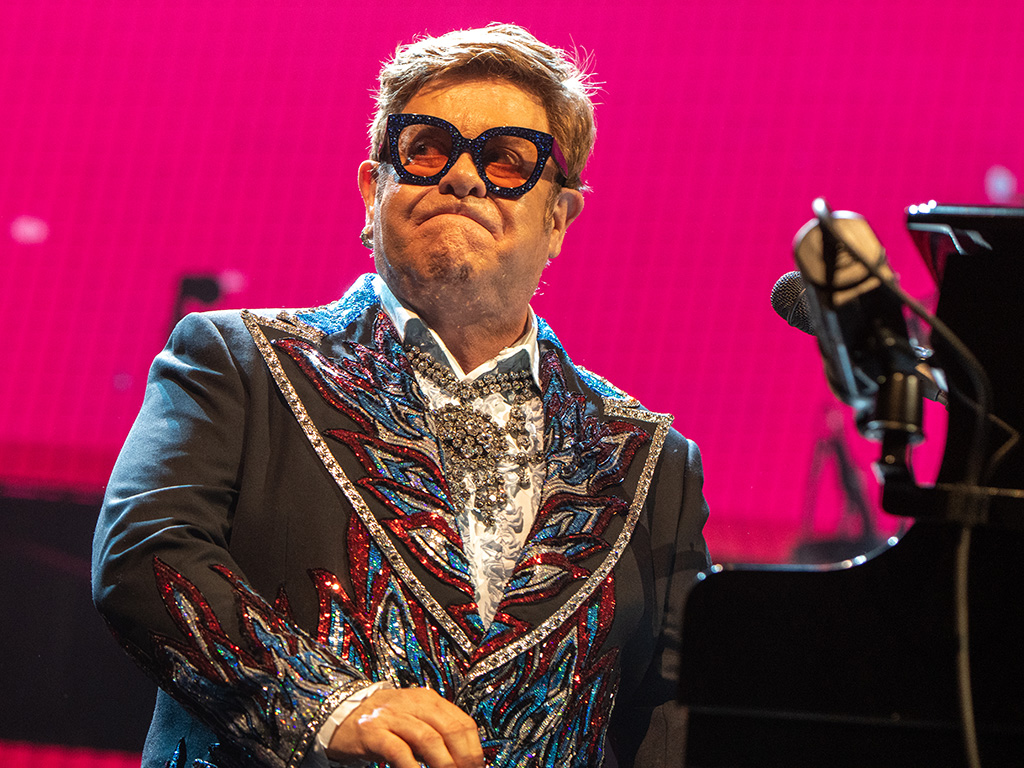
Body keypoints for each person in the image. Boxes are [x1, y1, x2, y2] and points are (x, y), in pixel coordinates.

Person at [92, 22, 710, 768]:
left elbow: (672, 721)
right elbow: (145, 555)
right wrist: (325, 706)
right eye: (426, 148)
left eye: (507, 160)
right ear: (371, 189)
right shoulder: (238, 362)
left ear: (559, 219)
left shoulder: (647, 460)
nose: (462, 177)